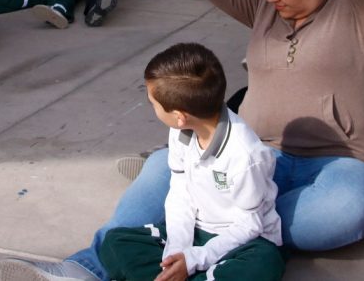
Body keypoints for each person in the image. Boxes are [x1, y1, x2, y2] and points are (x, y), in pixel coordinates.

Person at [0, 0, 364, 281]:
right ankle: (87, 268)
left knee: (347, 209)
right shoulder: (265, 3)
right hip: (251, 154)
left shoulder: (360, 6)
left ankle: (209, 236)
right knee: (160, 168)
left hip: (341, 164)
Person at [98, 44, 284, 281]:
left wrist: (196, 259)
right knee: (115, 242)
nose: (152, 107)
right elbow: (180, 191)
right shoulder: (180, 132)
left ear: (179, 116)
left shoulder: (246, 155)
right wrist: (177, 253)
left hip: (243, 241)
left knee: (260, 267)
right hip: (196, 231)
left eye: (153, 103)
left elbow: (251, 224)